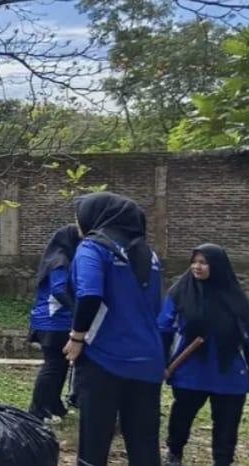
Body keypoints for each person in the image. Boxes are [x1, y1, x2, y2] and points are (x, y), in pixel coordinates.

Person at [63, 191, 164, 466]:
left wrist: (76, 337)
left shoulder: (93, 248)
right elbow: (155, 305)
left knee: (94, 442)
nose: (77, 222)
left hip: (104, 359)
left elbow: (89, 294)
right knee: (144, 444)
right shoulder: (149, 254)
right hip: (148, 359)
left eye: (78, 216)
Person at [159, 244, 249, 466]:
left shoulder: (236, 297)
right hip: (191, 369)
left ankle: (222, 460)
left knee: (227, 423)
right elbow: (164, 328)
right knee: (182, 415)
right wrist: (162, 362)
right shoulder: (180, 292)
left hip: (228, 371)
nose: (197, 267)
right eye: (194, 262)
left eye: (203, 262)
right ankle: (174, 453)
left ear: (217, 266)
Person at [27, 224, 81, 421]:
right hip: (53, 321)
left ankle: (54, 405)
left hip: (53, 321)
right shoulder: (59, 261)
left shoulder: (58, 259)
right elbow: (58, 289)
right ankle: (37, 409)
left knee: (61, 365)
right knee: (53, 366)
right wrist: (78, 310)